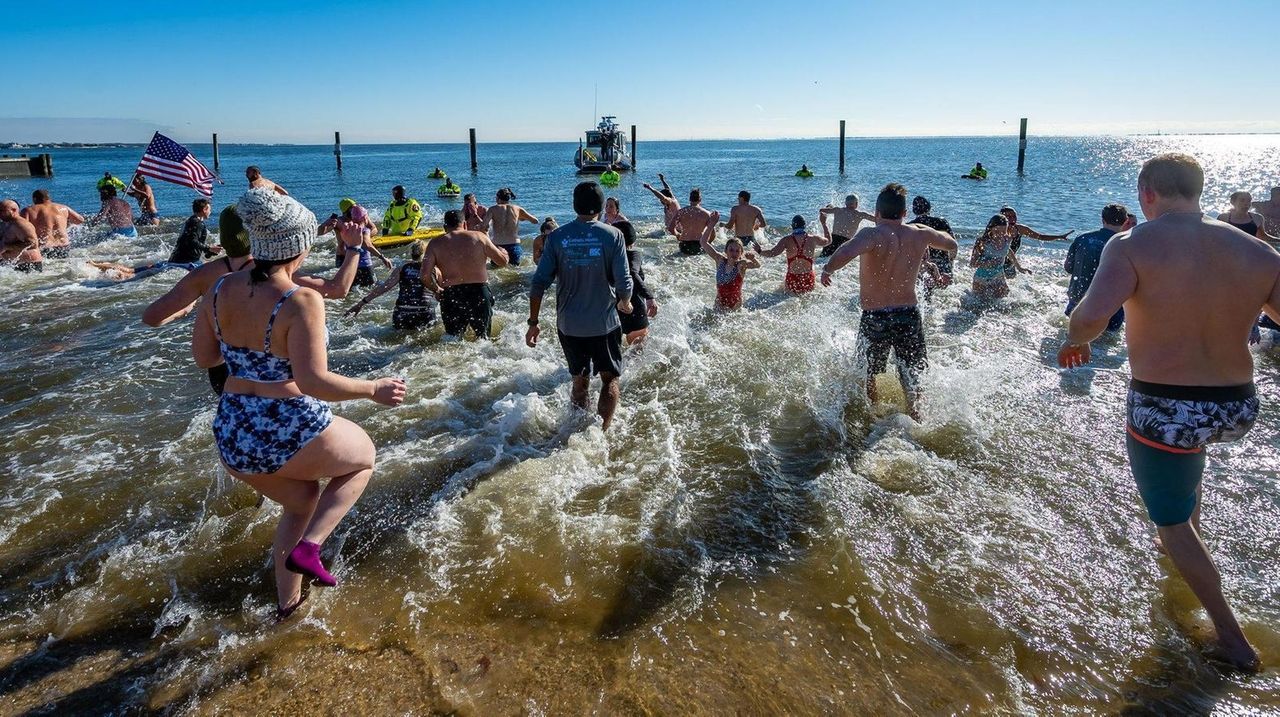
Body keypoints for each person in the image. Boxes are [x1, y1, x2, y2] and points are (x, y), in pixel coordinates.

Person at [1057, 153, 1280, 670]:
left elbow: (1089, 318)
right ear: (1199, 191)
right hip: (1238, 405)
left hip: (1167, 405)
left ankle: (1232, 639)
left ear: (1147, 194)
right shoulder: (1256, 250)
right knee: (1185, 482)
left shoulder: (1132, 244)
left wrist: (1074, 341)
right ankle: (1182, 558)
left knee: (1170, 523)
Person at [191, 187, 406, 618]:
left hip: (234, 431)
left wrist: (248, 349)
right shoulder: (300, 299)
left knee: (301, 500)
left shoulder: (218, 290)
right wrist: (373, 388)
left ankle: (287, 605)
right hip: (284, 422)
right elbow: (314, 381)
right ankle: (310, 548)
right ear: (298, 245)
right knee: (363, 457)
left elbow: (206, 358)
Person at [143, 203, 365, 397]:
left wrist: (186, 311)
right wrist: (354, 249)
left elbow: (152, 317)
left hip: (228, 375)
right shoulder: (272, 272)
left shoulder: (207, 275)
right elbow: (338, 289)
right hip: (274, 379)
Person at [820, 183, 958, 420]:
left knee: (869, 373)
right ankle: (915, 414)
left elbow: (843, 252)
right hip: (909, 314)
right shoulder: (919, 233)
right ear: (904, 214)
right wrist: (949, 261)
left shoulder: (871, 234)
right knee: (911, 372)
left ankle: (874, 414)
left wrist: (827, 270)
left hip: (876, 317)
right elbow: (951, 243)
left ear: (876, 213)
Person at [527, 181, 633, 429]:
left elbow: (538, 283)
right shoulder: (613, 235)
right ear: (600, 205)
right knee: (609, 381)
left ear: (574, 205)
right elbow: (624, 282)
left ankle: (575, 431)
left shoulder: (556, 237)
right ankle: (601, 435)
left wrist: (533, 323)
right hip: (604, 323)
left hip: (569, 325)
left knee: (579, 382)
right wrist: (625, 302)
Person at [421, 209, 509, 339]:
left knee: (452, 340)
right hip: (479, 293)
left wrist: (436, 289)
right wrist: (505, 254)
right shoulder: (479, 237)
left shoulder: (434, 243)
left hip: (451, 294)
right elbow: (502, 262)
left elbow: (424, 275)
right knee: (483, 339)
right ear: (465, 224)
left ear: (445, 227)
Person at [345, 241, 439, 330]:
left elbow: (384, 287)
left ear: (411, 253)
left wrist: (360, 304)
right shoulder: (435, 270)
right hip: (425, 314)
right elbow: (440, 294)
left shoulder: (402, 269)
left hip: (402, 314)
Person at [1064, 203, 1129, 332]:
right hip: (1110, 309)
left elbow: (1068, 267)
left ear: (1102, 220)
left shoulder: (1082, 238)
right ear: (1126, 221)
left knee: (1075, 336)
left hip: (1077, 302)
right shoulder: (1127, 244)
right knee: (1106, 343)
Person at [320, 205, 392, 288]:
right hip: (365, 266)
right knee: (372, 288)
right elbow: (367, 244)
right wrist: (382, 257)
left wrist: (326, 224)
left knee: (352, 290)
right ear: (365, 217)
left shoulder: (346, 228)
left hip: (351, 265)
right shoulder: (365, 230)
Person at [701, 219, 762, 311]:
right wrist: (711, 225)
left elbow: (757, 265)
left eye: (737, 251)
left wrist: (753, 258)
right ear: (725, 251)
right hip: (719, 302)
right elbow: (703, 242)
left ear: (741, 253)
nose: (734, 253)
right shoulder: (720, 260)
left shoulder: (741, 265)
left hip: (735, 304)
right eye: (731, 250)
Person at [759, 215, 829, 294]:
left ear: (792, 226)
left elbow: (772, 253)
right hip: (808, 278)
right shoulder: (813, 239)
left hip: (792, 278)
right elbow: (828, 241)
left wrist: (759, 251)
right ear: (804, 226)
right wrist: (824, 223)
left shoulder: (786, 240)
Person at [614, 220, 658, 345]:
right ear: (632, 241)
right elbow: (632, 273)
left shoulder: (609, 257)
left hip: (615, 304)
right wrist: (649, 297)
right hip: (633, 306)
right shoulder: (633, 254)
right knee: (637, 351)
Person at [1000, 205, 1072, 278]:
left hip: (1011, 263)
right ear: (1002, 218)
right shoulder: (997, 232)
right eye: (1008, 216)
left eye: (1014, 216)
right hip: (997, 263)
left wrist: (1059, 237)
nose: (1012, 219)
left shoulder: (1020, 229)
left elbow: (1040, 236)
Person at [908, 196, 957, 292]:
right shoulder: (941, 221)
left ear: (914, 210)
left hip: (923, 264)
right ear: (929, 208)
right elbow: (953, 245)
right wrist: (951, 262)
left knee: (925, 289)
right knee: (945, 288)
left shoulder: (910, 225)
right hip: (942, 262)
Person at [480, 187, 538, 265]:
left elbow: (484, 226)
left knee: (496, 271)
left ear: (498, 198)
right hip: (514, 245)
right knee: (516, 271)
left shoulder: (492, 209)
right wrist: (521, 217)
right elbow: (535, 221)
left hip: (498, 246)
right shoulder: (517, 209)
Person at [22, 189, 84, 259]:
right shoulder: (64, 208)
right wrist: (67, 223)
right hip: (64, 246)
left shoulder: (28, 210)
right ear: (49, 198)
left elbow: (23, 229)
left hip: (45, 247)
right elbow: (80, 220)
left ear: (34, 199)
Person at [970, 214, 1020, 299]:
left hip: (998, 276)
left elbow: (1008, 251)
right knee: (977, 305)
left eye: (1003, 232)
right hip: (981, 278)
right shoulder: (982, 241)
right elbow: (973, 263)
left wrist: (1019, 267)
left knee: (1005, 302)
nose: (1000, 235)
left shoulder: (1007, 239)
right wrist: (987, 263)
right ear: (990, 228)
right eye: (997, 231)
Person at [170, 198, 222, 264]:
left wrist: (209, 251)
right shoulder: (198, 223)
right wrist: (208, 248)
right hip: (186, 261)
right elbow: (192, 241)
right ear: (204, 210)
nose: (210, 212)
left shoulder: (190, 220)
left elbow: (189, 242)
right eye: (209, 210)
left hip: (177, 258)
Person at [667, 188, 716, 256]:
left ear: (689, 199)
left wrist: (678, 235)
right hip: (699, 244)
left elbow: (670, 228)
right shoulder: (706, 213)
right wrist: (707, 243)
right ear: (700, 200)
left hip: (684, 243)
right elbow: (713, 234)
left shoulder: (681, 212)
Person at [0, 199, 42, 272]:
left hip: (28, 265)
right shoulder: (5, 223)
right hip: (10, 264)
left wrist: (7, 247)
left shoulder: (22, 224)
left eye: (2, 211)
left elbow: (33, 243)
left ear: (14, 210)